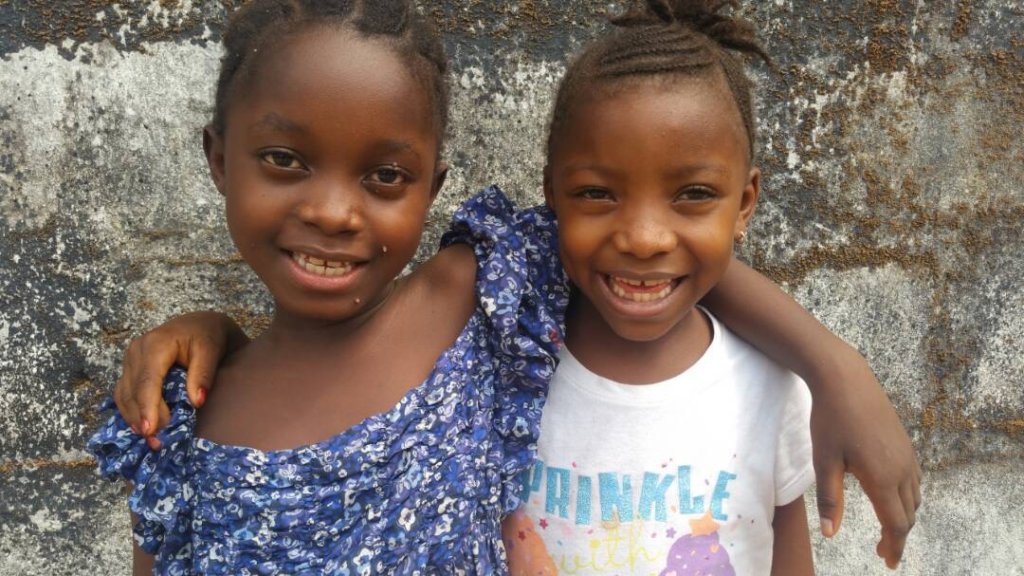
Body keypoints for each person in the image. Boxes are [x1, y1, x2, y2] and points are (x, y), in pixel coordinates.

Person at [98, 0, 920, 573]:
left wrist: (833, 366)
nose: (334, 211)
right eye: (284, 160)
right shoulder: (178, 421)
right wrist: (208, 329)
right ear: (217, 159)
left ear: (432, 183)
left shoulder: (470, 296)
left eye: (386, 175)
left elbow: (649, 256)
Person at [500, 1, 823, 573]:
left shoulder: (770, 390)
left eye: (693, 194)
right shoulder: (506, 373)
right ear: (552, 192)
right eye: (597, 193)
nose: (645, 239)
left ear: (744, 203)